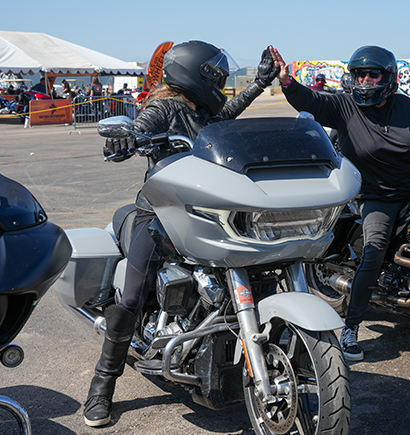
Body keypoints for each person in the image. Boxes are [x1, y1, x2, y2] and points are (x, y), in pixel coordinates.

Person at [82, 40, 280, 428]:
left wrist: (258, 84)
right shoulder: (164, 106)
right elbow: (141, 126)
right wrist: (125, 139)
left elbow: (225, 116)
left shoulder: (202, 108)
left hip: (204, 207)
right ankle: (101, 387)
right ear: (194, 75)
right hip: (159, 211)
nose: (221, 82)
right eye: (216, 76)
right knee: (133, 296)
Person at [271, 45, 410, 362]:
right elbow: (310, 101)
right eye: (359, 74)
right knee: (374, 250)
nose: (364, 81)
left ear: (389, 77)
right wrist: (287, 81)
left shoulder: (406, 107)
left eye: (372, 74)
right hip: (376, 196)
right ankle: (350, 328)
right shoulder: (345, 107)